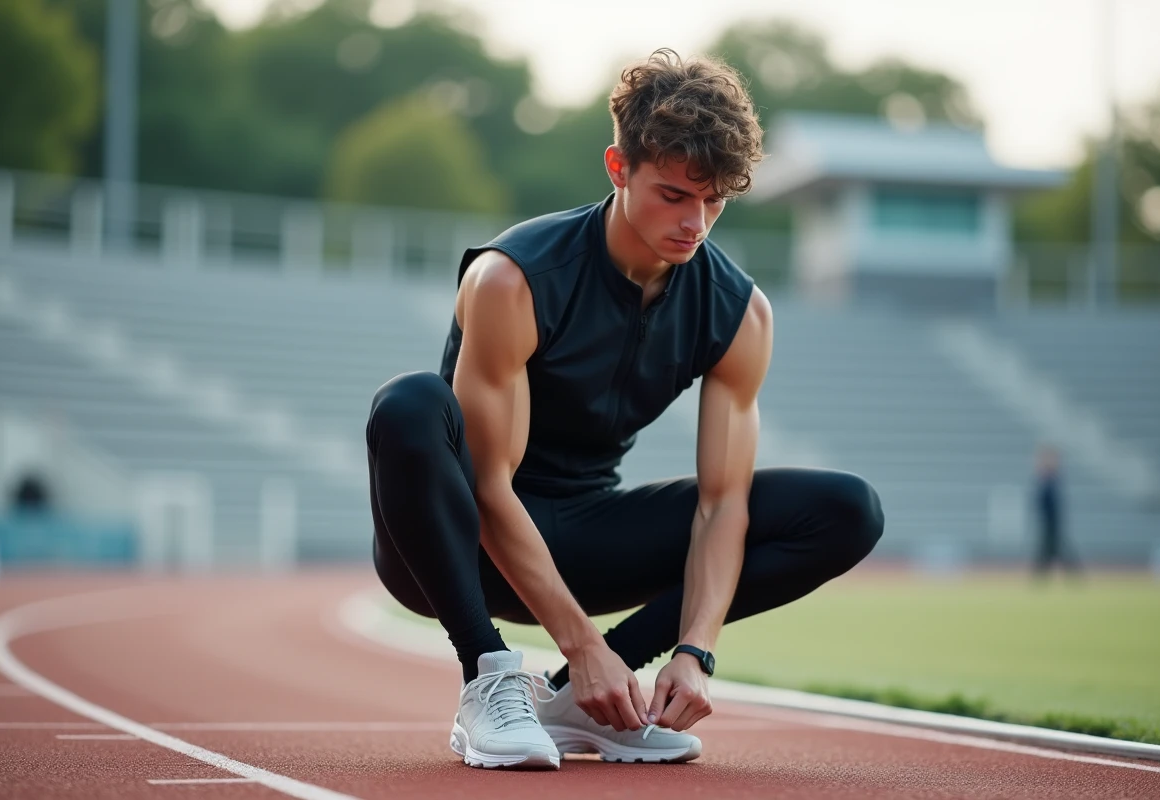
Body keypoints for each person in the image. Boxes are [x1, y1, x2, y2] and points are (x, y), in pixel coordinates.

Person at [365, 48, 885, 770]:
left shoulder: (740, 314)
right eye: (674, 195)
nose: (695, 222)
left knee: (847, 509)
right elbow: (488, 487)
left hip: (587, 537)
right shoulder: (511, 280)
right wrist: (579, 646)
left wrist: (693, 650)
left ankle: (588, 702)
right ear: (618, 168)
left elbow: (721, 504)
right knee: (409, 402)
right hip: (458, 545)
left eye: (714, 200)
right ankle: (487, 678)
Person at [1031, 444, 1081, 577]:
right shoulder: (1047, 481)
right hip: (1049, 524)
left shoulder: (1051, 481)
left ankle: (1041, 577)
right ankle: (1041, 576)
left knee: (1052, 551)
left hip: (1052, 524)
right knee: (1052, 551)